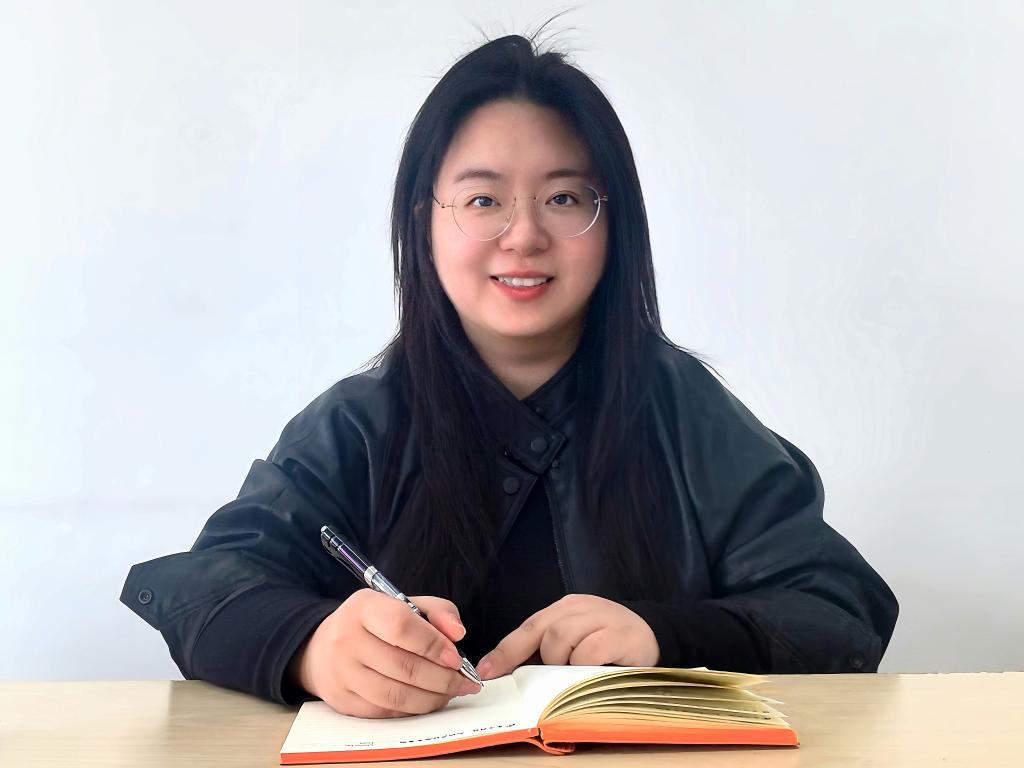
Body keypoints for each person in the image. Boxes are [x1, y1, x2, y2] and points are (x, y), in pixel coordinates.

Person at [121, 28, 898, 720]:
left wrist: (664, 636)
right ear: (423, 224)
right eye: (482, 198)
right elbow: (202, 585)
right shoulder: (359, 424)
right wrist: (312, 646)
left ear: (614, 224)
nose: (523, 235)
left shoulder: (687, 413)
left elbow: (840, 609)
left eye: (564, 197)